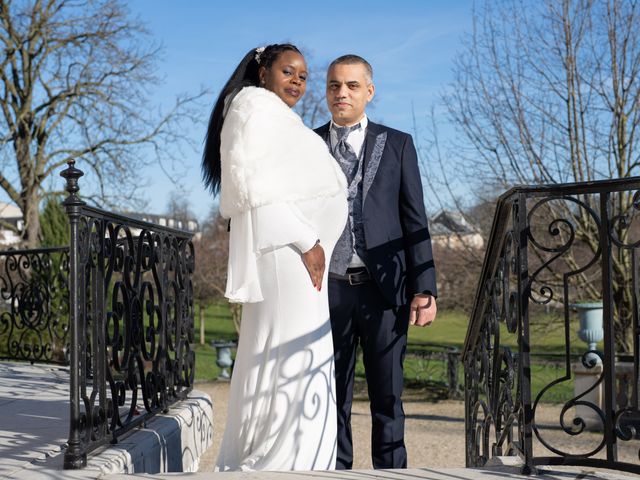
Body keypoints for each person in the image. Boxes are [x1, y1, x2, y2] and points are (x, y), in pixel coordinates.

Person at [201, 44, 348, 471]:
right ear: (263, 71)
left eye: (303, 76)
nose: (298, 82)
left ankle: (296, 458)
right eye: (288, 72)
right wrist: (308, 240)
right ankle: (283, 461)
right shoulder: (252, 108)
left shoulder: (271, 113)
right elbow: (256, 190)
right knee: (291, 355)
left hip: (297, 257)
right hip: (290, 255)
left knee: (296, 351)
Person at [314, 55, 438, 470]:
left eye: (351, 85)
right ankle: (337, 471)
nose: (341, 93)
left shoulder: (398, 143)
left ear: (369, 91)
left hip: (385, 288)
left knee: (388, 395)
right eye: (334, 85)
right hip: (326, 290)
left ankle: (392, 474)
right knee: (332, 395)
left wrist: (425, 287)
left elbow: (414, 218)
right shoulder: (308, 145)